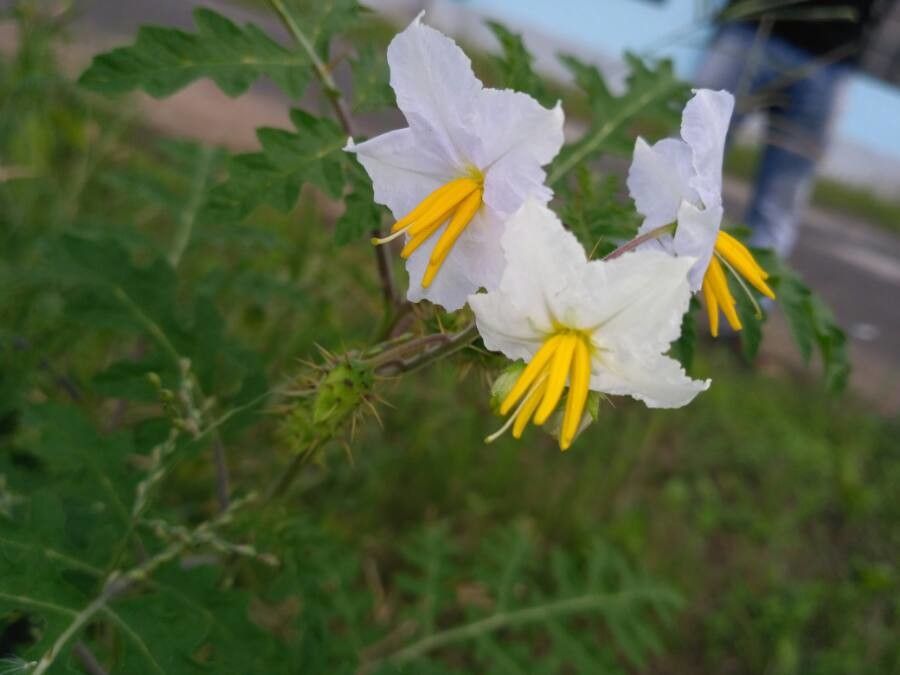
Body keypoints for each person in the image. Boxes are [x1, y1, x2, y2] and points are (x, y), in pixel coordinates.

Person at [695, 0, 891, 259]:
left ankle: (752, 296)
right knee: (689, 158)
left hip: (831, 57)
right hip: (751, 26)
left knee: (779, 202)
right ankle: (650, 267)